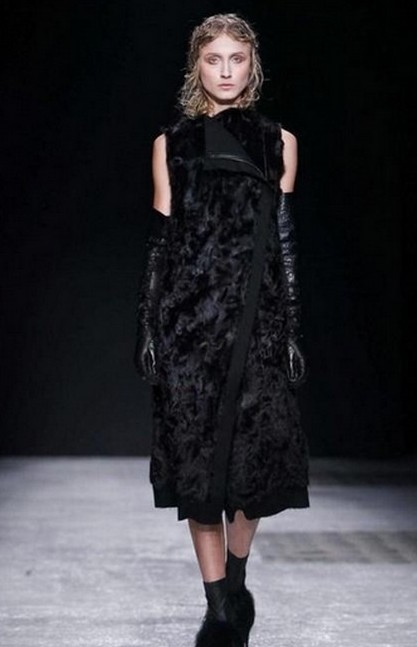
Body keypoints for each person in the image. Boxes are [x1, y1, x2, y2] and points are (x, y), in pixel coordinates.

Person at [135, 12, 309, 647]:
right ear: (197, 66)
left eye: (238, 58)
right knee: (199, 471)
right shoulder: (172, 144)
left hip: (256, 326)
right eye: (214, 59)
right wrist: (147, 324)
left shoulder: (277, 142)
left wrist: (291, 329)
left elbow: (283, 241)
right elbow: (161, 242)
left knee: (252, 471)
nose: (226, 71)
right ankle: (217, 610)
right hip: (188, 326)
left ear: (252, 65)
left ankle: (236, 578)